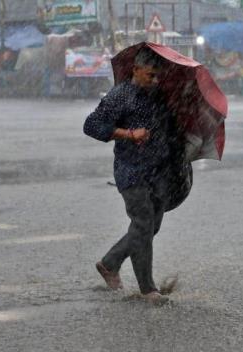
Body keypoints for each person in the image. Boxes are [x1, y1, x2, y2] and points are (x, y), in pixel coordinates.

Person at [83, 48, 175, 304]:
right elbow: (91, 125)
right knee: (143, 224)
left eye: (158, 77)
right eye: (150, 75)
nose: (155, 81)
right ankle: (148, 289)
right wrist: (128, 134)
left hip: (156, 170)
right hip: (130, 170)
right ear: (136, 70)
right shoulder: (119, 95)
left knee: (151, 226)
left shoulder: (157, 95)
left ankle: (110, 263)